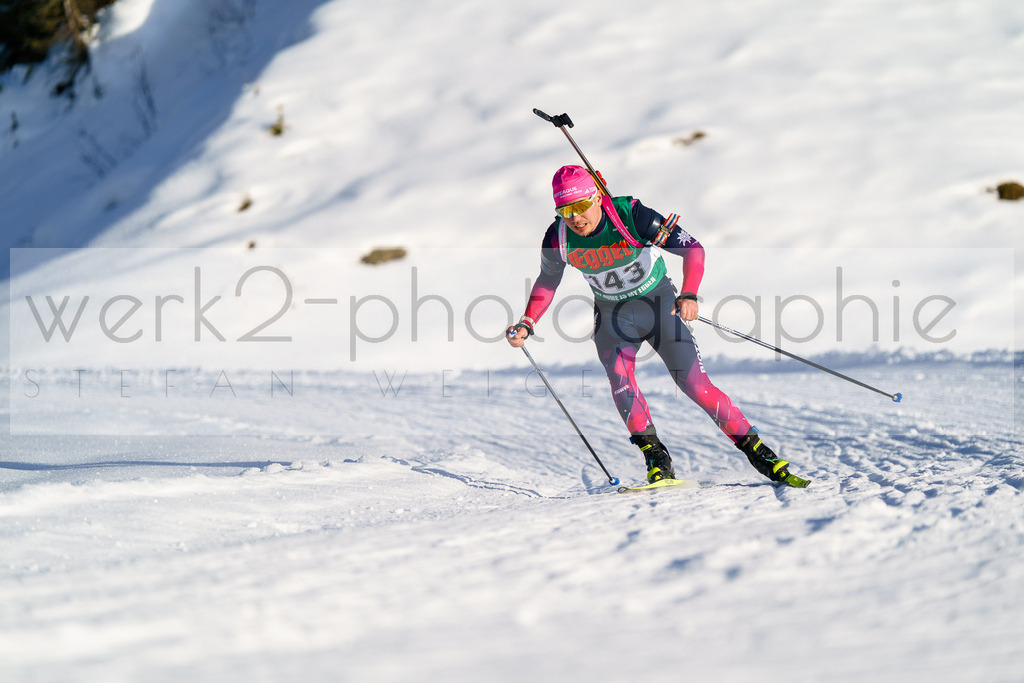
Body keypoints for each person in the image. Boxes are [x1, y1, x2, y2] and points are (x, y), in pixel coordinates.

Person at [506, 164, 808, 487]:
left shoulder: (631, 216)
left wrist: (689, 293)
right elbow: (547, 279)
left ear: (596, 197)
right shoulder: (558, 237)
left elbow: (693, 249)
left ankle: (759, 453)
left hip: (660, 306)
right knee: (621, 382)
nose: (575, 218)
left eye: (580, 206)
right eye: (565, 211)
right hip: (613, 317)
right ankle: (657, 461)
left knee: (696, 386)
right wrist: (528, 321)